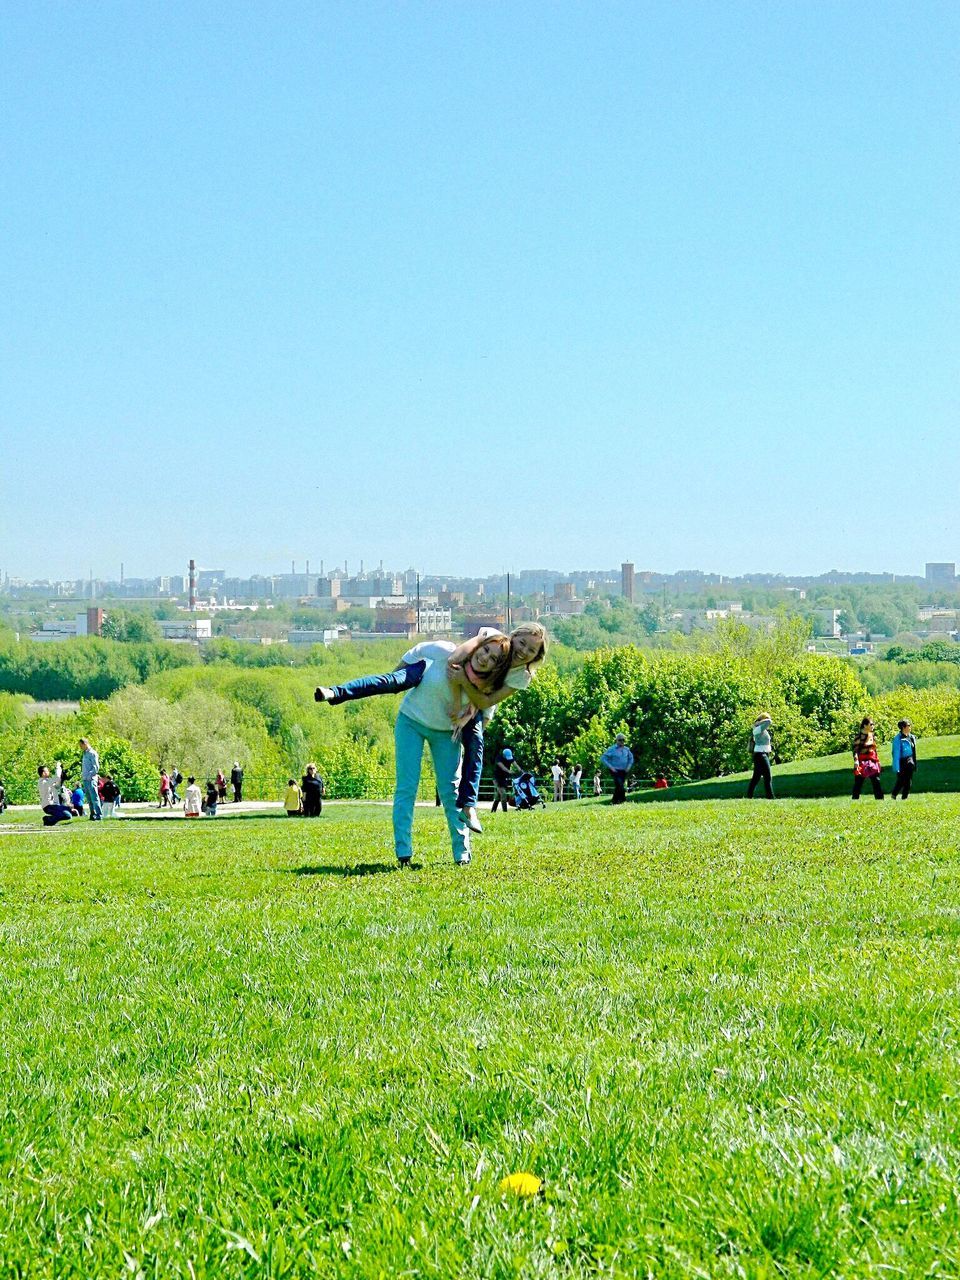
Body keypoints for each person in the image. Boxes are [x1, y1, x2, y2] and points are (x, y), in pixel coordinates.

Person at [317, 624, 545, 835]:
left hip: (475, 707)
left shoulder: (520, 675)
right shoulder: (492, 640)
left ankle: (468, 806)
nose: (524, 651)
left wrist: (463, 700)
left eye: (531, 650)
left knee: (475, 745)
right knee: (389, 682)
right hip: (438, 679)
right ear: (513, 636)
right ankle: (336, 692)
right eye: (522, 643)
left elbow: (486, 701)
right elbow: (454, 660)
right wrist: (456, 696)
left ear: (537, 657)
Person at [390, 640, 482, 866]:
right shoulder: (444, 650)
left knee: (451, 790)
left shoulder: (486, 681)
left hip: (446, 733)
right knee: (407, 786)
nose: (484, 659)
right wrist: (395, 676)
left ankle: (462, 854)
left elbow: (482, 716)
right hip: (410, 721)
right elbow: (416, 651)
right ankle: (403, 852)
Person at [852, 717, 884, 800]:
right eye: (871, 724)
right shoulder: (858, 737)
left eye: (873, 724)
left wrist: (878, 761)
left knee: (876, 780)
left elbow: (874, 749)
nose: (873, 726)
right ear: (865, 725)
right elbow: (855, 750)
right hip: (862, 762)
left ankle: (880, 799)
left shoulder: (871, 735)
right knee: (859, 782)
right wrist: (856, 762)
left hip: (872, 761)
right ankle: (855, 799)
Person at [746, 713, 776, 800]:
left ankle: (749, 795)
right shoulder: (758, 729)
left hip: (762, 754)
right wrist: (758, 722)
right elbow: (769, 721)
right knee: (768, 776)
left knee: (756, 777)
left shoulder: (761, 729)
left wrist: (758, 722)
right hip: (761, 754)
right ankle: (770, 797)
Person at [601, 734, 634, 804]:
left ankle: (618, 800)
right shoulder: (612, 749)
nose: (622, 741)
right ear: (616, 740)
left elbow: (631, 758)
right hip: (615, 770)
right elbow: (603, 758)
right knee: (620, 785)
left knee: (620, 785)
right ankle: (618, 800)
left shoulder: (627, 749)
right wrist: (611, 767)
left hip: (624, 770)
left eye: (623, 740)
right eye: (620, 740)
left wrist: (629, 766)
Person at [891, 719, 918, 799]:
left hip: (910, 761)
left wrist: (915, 764)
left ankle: (904, 798)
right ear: (903, 727)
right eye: (908, 725)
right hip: (901, 761)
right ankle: (894, 795)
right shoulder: (898, 739)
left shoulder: (911, 737)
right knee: (901, 780)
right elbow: (896, 754)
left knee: (908, 781)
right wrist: (896, 767)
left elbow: (914, 752)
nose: (910, 727)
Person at [79, 738, 102, 820]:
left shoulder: (92, 753)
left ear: (85, 744)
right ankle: (93, 814)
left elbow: (96, 767)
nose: (80, 747)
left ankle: (99, 815)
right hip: (85, 779)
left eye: (81, 745)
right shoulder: (84, 753)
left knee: (94, 798)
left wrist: (89, 776)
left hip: (91, 779)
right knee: (89, 799)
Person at [492, 748, 520, 812]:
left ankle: (493, 811)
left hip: (504, 778)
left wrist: (521, 771)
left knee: (498, 795)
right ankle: (505, 812)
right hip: (497, 778)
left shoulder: (510, 758)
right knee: (503, 794)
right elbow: (502, 767)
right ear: (503, 755)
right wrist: (509, 771)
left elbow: (516, 765)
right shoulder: (499, 758)